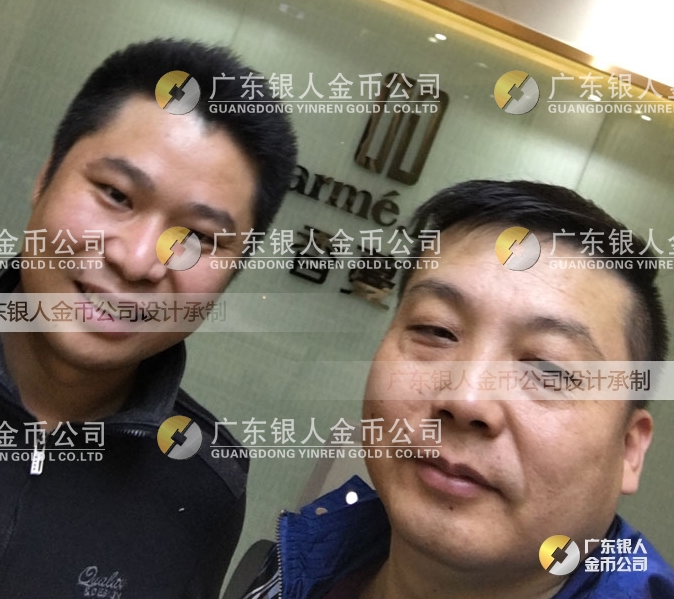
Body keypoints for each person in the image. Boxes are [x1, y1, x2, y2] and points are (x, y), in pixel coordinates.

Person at [0, 39, 297, 598]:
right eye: (115, 194)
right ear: (45, 177)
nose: (136, 261)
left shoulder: (203, 481)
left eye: (198, 238)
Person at [241, 180, 674, 599]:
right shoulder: (299, 565)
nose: (466, 399)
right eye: (436, 330)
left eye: (548, 367)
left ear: (628, 449)